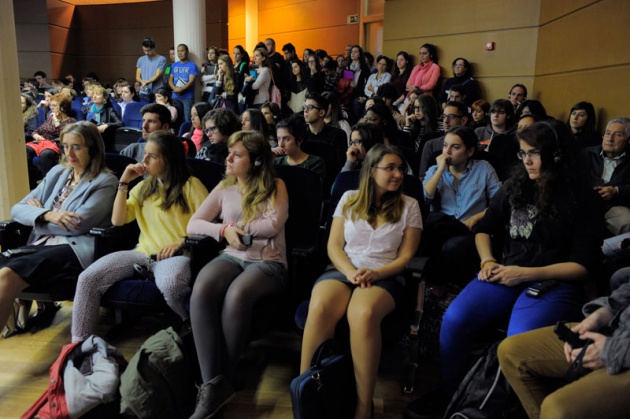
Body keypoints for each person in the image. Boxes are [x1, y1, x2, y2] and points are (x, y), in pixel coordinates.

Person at [407, 120, 603, 418]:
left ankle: (500, 408)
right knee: (455, 320)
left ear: (557, 155)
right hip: (506, 272)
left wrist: (525, 274)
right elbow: (484, 228)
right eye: (523, 153)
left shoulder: (582, 198)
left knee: (517, 341)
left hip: (553, 282)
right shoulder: (516, 186)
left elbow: (581, 266)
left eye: (534, 153)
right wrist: (487, 261)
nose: (527, 161)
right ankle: (455, 394)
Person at [301, 144, 422, 419]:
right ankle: (307, 393)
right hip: (344, 268)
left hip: (385, 274)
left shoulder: (409, 205)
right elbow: (333, 246)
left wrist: (376, 274)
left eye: (400, 168)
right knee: (319, 306)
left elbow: (405, 258)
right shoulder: (349, 198)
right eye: (390, 168)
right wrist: (350, 272)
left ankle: (363, 406)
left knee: (363, 313)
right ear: (371, 170)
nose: (398, 174)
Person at [186, 131, 289, 418]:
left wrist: (236, 227)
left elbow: (273, 225)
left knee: (237, 294)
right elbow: (193, 225)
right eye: (229, 153)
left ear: (256, 161)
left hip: (269, 261)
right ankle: (212, 384)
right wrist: (223, 230)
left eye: (237, 155)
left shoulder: (276, 185)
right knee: (203, 287)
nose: (228, 158)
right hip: (233, 255)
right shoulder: (223, 188)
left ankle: (226, 377)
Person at [70, 131, 208, 342]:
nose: (144, 161)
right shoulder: (144, 187)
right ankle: (78, 344)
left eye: (152, 156)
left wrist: (181, 241)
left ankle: (189, 324)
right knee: (88, 278)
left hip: (176, 255)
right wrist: (123, 183)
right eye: (145, 154)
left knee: (171, 285)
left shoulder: (191, 185)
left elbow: (209, 223)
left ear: (168, 159)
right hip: (142, 253)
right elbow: (118, 220)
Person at [0, 121, 117, 330]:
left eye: (76, 146)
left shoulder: (105, 181)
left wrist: (37, 218)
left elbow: (76, 225)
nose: (69, 153)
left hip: (73, 248)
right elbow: (17, 209)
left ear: (93, 148)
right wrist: (49, 215)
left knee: (8, 275)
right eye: (65, 146)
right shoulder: (58, 173)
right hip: (42, 243)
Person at [498, 271, 630, 419]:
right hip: (619, 329)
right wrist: (600, 316)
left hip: (623, 351)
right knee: (510, 351)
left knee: (557, 408)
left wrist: (616, 351)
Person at [421, 126, 501, 283]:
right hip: (441, 228)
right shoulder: (434, 170)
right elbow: (423, 199)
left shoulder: (484, 168)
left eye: (455, 147)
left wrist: (476, 218)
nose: (447, 151)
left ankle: (446, 288)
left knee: (453, 246)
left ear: (469, 152)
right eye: (445, 145)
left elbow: (499, 204)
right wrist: (439, 171)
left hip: (470, 229)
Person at [585, 117, 630, 236]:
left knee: (627, 222)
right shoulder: (586, 154)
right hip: (584, 201)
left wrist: (617, 191)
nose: (610, 139)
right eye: (608, 133)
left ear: (627, 140)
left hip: (614, 205)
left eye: (618, 135)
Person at [26, 93, 77, 187]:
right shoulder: (50, 118)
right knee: (26, 150)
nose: (51, 108)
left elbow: (64, 135)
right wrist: (36, 135)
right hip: (41, 142)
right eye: (50, 105)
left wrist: (57, 120)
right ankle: (30, 182)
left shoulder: (71, 121)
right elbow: (37, 130)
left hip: (55, 144)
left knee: (46, 153)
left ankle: (48, 184)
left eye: (54, 105)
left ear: (63, 107)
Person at [475, 98, 519, 180]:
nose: (496, 115)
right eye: (493, 112)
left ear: (508, 115)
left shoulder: (515, 135)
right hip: (479, 173)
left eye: (501, 112)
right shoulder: (479, 132)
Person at [273, 114, 326, 180]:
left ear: (299, 141)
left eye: (286, 139)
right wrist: (268, 159)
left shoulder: (315, 163)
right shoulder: (276, 162)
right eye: (279, 139)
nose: (281, 144)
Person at [84, 85, 123, 152]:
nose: (94, 96)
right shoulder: (87, 109)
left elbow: (120, 123)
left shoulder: (109, 110)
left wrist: (107, 125)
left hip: (103, 141)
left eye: (97, 94)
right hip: (89, 139)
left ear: (104, 98)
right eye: (93, 94)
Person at [169, 43, 198, 122]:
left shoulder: (192, 65)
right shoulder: (174, 65)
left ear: (187, 52)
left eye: (182, 51)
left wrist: (181, 89)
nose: (180, 53)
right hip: (175, 96)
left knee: (187, 119)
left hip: (187, 97)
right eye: (178, 51)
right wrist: (175, 88)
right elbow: (170, 79)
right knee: (175, 119)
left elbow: (191, 81)